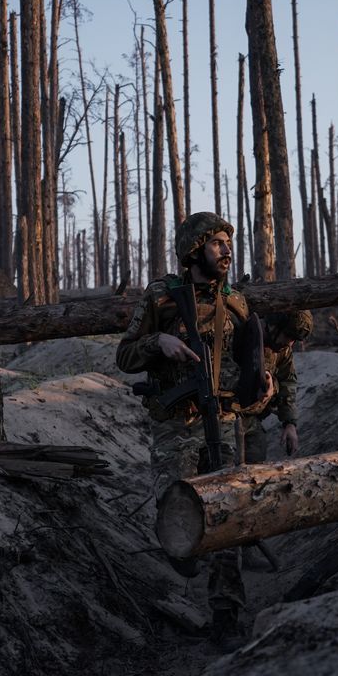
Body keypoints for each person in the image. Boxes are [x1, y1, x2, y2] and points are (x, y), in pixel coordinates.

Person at [116, 211, 268, 647]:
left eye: (227, 242)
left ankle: (226, 612)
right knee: (174, 509)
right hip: (175, 424)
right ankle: (183, 549)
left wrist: (262, 382)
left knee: (229, 515)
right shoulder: (162, 298)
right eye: (217, 242)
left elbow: (250, 360)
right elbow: (123, 357)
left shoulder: (237, 303)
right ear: (194, 248)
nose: (226, 249)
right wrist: (157, 343)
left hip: (222, 421)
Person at [240, 310, 312, 464]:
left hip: (251, 418)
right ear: (273, 326)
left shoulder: (283, 349)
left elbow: (288, 381)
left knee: (256, 456)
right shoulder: (241, 335)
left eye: (294, 340)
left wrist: (290, 423)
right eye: (288, 336)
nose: (289, 343)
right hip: (224, 415)